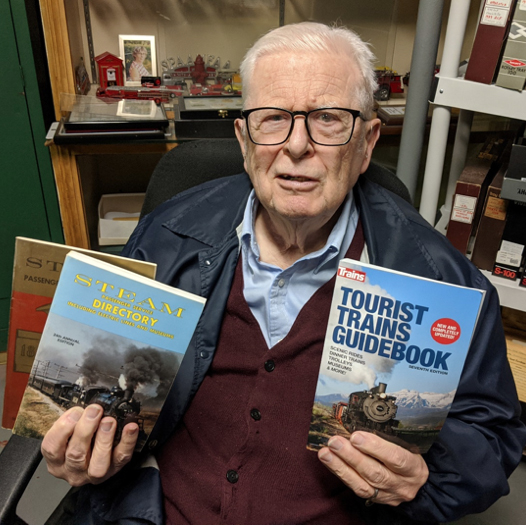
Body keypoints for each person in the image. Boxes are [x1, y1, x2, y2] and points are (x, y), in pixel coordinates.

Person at [42, 22, 526, 524]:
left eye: (329, 119)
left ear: (366, 141)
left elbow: (492, 434)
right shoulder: (168, 235)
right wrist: (81, 442)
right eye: (273, 119)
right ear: (244, 139)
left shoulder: (442, 280)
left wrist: (428, 477)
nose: (296, 147)